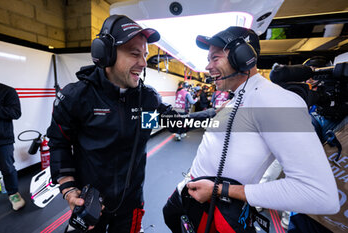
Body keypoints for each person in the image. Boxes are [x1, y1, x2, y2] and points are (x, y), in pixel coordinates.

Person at [47, 15, 216, 233]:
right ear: (105, 54)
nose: (144, 63)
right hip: (91, 205)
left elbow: (174, 123)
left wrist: (216, 114)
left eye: (145, 55)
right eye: (135, 53)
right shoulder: (77, 97)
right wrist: (69, 189)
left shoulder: (145, 100)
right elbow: (59, 142)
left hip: (131, 203)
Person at [163, 26, 340, 232]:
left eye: (215, 58)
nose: (208, 66)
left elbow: (319, 193)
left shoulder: (274, 101)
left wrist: (220, 190)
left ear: (243, 57)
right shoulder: (241, 97)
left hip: (216, 210)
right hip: (195, 201)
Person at [0, 81, 25, 211]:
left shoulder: (7, 91)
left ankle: (14, 194)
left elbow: (16, 113)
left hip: (3, 140)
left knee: (7, 168)